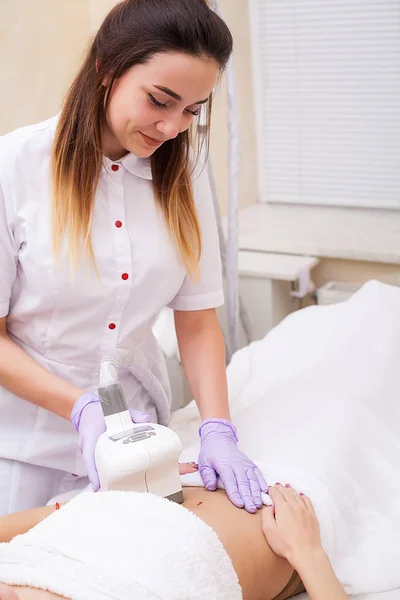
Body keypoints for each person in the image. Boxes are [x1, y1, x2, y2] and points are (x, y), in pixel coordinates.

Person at [0, 0, 267, 517]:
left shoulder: (183, 171)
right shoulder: (14, 167)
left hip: (140, 438)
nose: (171, 127)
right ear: (107, 67)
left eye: (191, 110)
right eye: (159, 100)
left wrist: (217, 428)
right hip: (23, 441)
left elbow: (195, 321)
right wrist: (79, 407)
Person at [0, 480, 347, 600]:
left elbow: (61, 518)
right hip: (296, 510)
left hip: (175, 466)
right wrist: (308, 554)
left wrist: (100, 497)